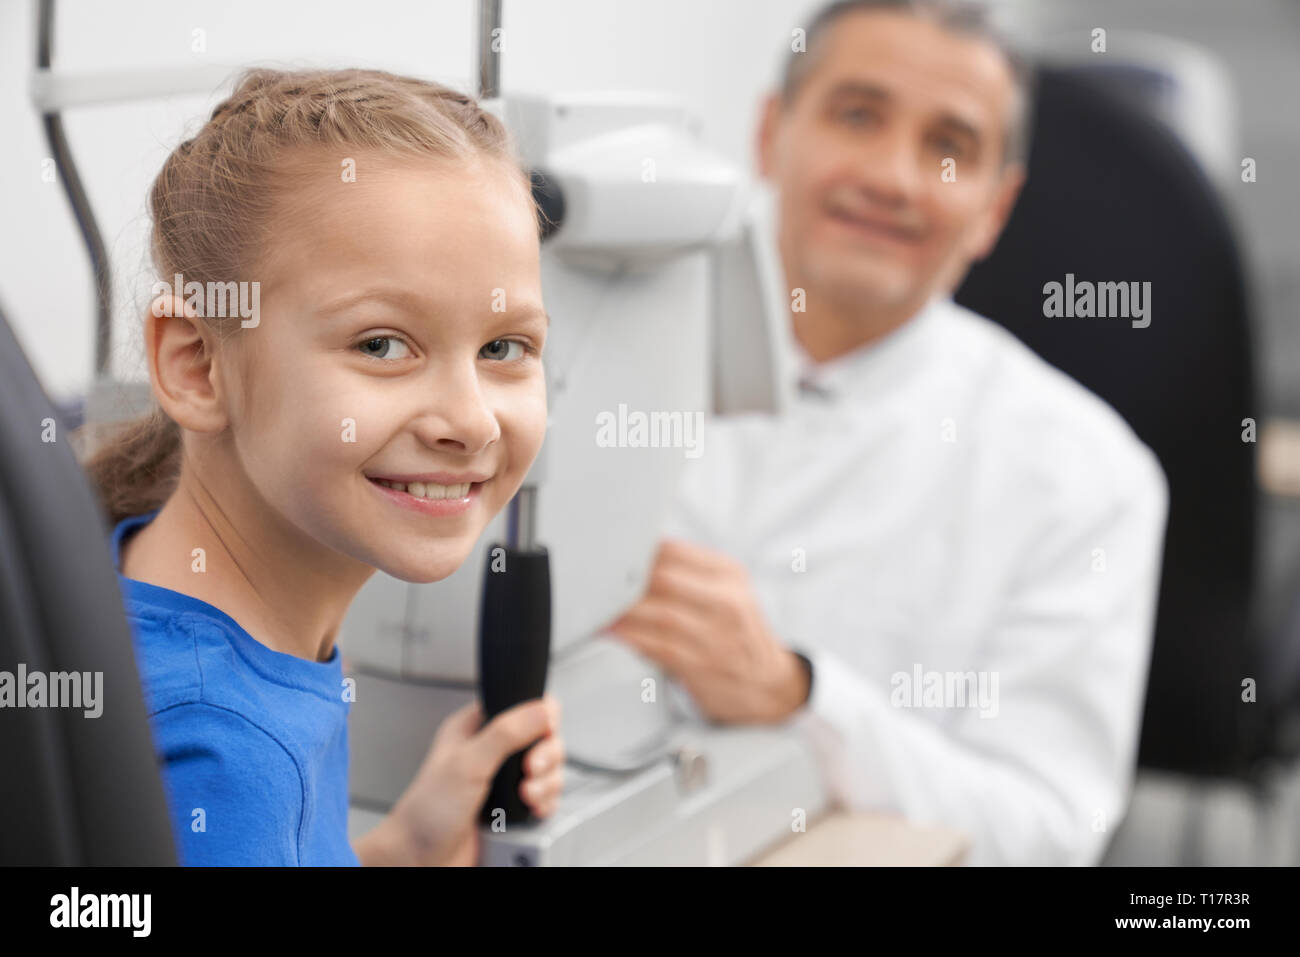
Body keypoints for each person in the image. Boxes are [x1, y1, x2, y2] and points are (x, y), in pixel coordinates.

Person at [609, 0, 1169, 865]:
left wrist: (801, 695)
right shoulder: (586, 347)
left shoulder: (1089, 476)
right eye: (858, 115)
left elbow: (1047, 829)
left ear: (994, 208)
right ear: (770, 134)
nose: (894, 178)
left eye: (949, 147)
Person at [81, 68, 563, 866]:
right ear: (198, 364)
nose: (471, 421)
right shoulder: (225, 757)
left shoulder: (152, 591)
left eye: (503, 347)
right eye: (381, 345)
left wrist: (405, 844)